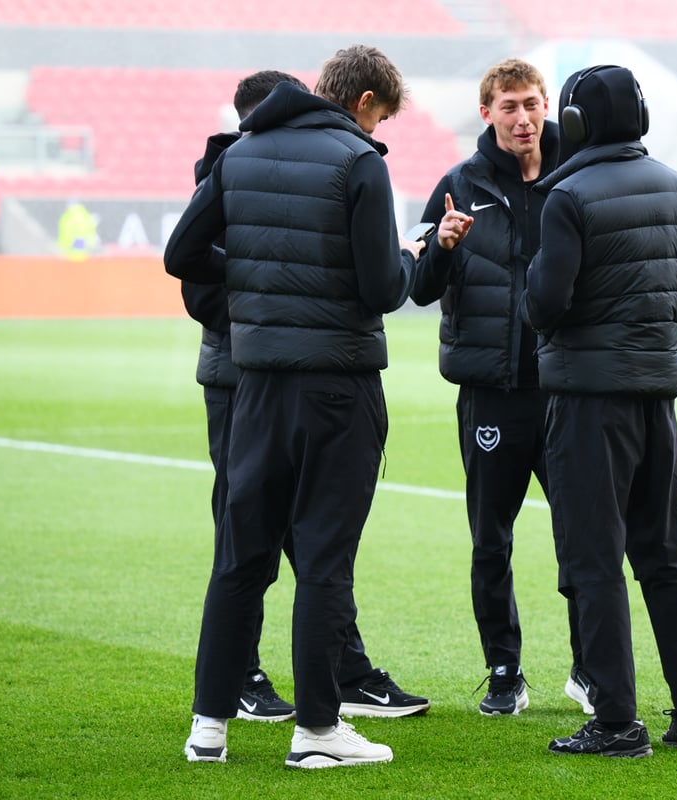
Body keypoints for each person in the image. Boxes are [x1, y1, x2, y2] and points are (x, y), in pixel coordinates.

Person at [165, 45, 426, 769]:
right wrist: (411, 257)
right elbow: (382, 289)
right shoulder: (360, 160)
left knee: (240, 560)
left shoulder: (239, 154)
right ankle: (316, 731)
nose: (378, 129)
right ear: (365, 102)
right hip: (338, 387)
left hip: (254, 388)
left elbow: (182, 255)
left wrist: (251, 275)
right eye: (381, 116)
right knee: (323, 562)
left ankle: (208, 729)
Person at [520, 64, 677, 757]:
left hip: (587, 402)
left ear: (575, 123)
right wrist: (647, 322)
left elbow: (546, 303)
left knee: (594, 560)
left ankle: (615, 721)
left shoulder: (567, 195)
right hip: (654, 397)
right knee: (667, 556)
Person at [410, 57, 593, 718]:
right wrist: (442, 247)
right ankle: (504, 671)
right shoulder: (459, 185)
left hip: (568, 387)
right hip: (492, 391)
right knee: (491, 540)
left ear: (548, 107)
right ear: (486, 113)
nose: (523, 118)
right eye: (509, 106)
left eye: (531, 104)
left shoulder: (579, 176)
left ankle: (590, 668)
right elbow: (417, 288)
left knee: (584, 538)